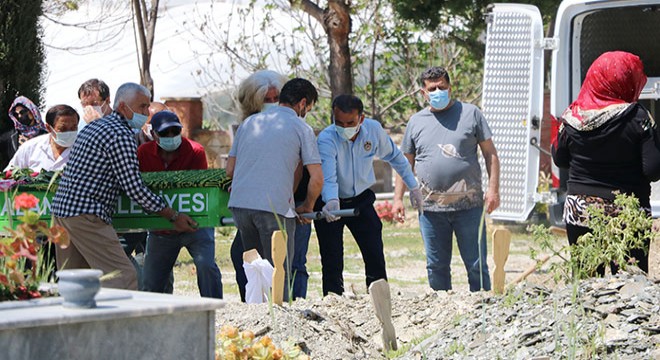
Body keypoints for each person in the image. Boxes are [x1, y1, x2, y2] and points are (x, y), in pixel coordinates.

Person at [52, 82, 197, 290]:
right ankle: (124, 323)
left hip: (62, 212)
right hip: (85, 214)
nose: (146, 113)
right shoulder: (121, 135)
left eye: (147, 107)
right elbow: (134, 187)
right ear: (122, 107)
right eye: (142, 107)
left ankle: (78, 323)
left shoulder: (95, 126)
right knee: (123, 278)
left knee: (75, 283)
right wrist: (172, 215)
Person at [393, 66, 500, 292]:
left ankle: (483, 309)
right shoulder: (416, 122)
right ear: (423, 93)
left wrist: (493, 190)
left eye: (442, 87)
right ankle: (441, 313)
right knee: (436, 266)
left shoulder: (471, 114)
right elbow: (405, 164)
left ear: (450, 87)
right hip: (430, 209)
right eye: (432, 89)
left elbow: (491, 154)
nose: (438, 91)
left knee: (476, 264)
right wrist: (397, 200)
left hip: (468, 207)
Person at [552, 51, 660, 273]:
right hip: (628, 212)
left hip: (579, 211)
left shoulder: (572, 117)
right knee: (631, 285)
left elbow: (559, 158)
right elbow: (653, 170)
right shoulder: (637, 117)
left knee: (586, 281)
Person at [315, 94, 423, 297]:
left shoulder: (373, 130)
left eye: (350, 122)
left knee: (374, 250)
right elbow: (328, 176)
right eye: (339, 122)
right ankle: (333, 301)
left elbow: (395, 157)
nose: (344, 127)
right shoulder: (326, 139)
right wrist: (330, 201)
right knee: (331, 257)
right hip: (331, 201)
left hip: (361, 200)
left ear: (361, 119)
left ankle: (379, 297)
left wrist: (413, 186)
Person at [226, 78, 323, 297]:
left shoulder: (250, 123)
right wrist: (307, 205)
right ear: (303, 103)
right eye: (308, 108)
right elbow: (316, 177)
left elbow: (230, 170)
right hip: (274, 209)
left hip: (240, 206)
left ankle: (256, 318)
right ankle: (280, 324)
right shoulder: (301, 127)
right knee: (279, 274)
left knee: (254, 270)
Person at [138, 110, 223, 298]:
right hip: (161, 228)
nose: (171, 137)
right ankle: (152, 320)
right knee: (151, 283)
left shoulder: (195, 151)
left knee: (207, 266)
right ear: (154, 135)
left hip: (195, 225)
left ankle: (215, 310)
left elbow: (198, 191)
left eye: (174, 132)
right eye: (165, 133)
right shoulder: (143, 153)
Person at [5, 105, 79, 172]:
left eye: (73, 128)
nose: (69, 132)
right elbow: (9, 175)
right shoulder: (29, 148)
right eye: (62, 129)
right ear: (49, 128)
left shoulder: (83, 151)